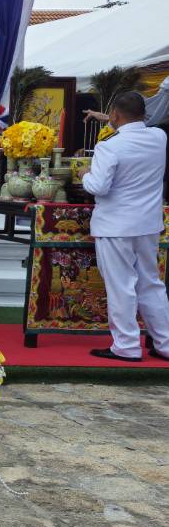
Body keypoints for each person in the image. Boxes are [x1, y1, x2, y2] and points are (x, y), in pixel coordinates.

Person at [80, 91, 169, 361]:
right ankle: (165, 344)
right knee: (151, 284)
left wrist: (85, 175)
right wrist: (111, 118)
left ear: (116, 115)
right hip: (148, 223)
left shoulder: (110, 146)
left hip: (116, 225)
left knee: (121, 285)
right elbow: (134, 123)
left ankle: (127, 345)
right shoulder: (159, 138)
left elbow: (98, 187)